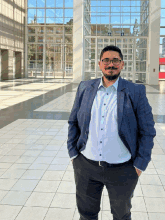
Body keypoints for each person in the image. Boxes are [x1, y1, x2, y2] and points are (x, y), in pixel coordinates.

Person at [67, 45, 156, 220]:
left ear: (122, 64)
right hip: (86, 166)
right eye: (106, 60)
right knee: (86, 214)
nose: (111, 64)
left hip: (123, 168)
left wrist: (139, 165)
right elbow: (73, 121)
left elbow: (148, 131)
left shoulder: (135, 91)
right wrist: (73, 154)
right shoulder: (85, 88)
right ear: (100, 64)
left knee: (121, 215)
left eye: (115, 60)